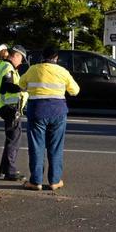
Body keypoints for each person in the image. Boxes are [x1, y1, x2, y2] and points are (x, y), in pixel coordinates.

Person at [19, 46, 80, 191]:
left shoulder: (33, 69)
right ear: (56, 58)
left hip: (37, 111)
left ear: (42, 56)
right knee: (55, 147)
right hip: (58, 112)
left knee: (36, 147)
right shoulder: (62, 71)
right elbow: (75, 91)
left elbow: (21, 85)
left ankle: (35, 181)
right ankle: (55, 181)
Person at [0, 45, 28, 181]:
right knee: (14, 140)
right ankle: (10, 172)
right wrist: (23, 87)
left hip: (6, 107)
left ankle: (4, 169)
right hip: (11, 108)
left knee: (10, 139)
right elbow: (7, 86)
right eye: (21, 59)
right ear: (16, 55)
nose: (21, 62)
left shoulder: (4, 66)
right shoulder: (8, 67)